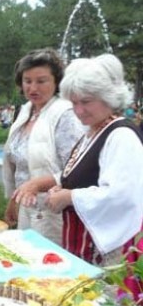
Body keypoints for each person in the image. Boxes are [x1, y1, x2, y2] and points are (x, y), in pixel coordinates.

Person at [45, 54, 143, 265]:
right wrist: (61, 186)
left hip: (107, 252)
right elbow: (83, 174)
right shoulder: (94, 131)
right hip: (83, 243)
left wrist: (69, 197)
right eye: (74, 103)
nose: (79, 111)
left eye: (86, 102)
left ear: (108, 97)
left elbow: (122, 195)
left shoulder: (121, 136)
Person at [2, 48, 85, 244]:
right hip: (28, 206)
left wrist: (37, 184)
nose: (33, 88)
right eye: (27, 81)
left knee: (50, 267)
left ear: (56, 82)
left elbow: (76, 169)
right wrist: (13, 200)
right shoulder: (26, 112)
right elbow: (18, 166)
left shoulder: (65, 115)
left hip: (54, 211)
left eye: (41, 81)